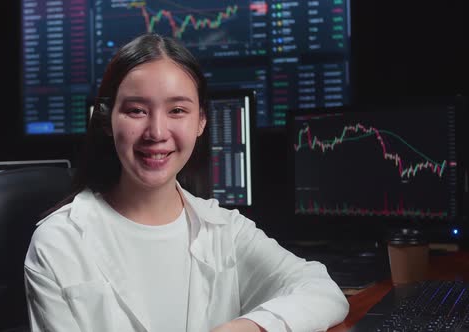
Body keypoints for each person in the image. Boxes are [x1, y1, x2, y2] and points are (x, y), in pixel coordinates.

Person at [24, 33, 349, 332]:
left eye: (177, 110)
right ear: (108, 120)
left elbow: (322, 291)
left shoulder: (225, 230)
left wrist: (248, 327)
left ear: (201, 122)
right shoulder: (58, 244)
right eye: (136, 111)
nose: (156, 132)